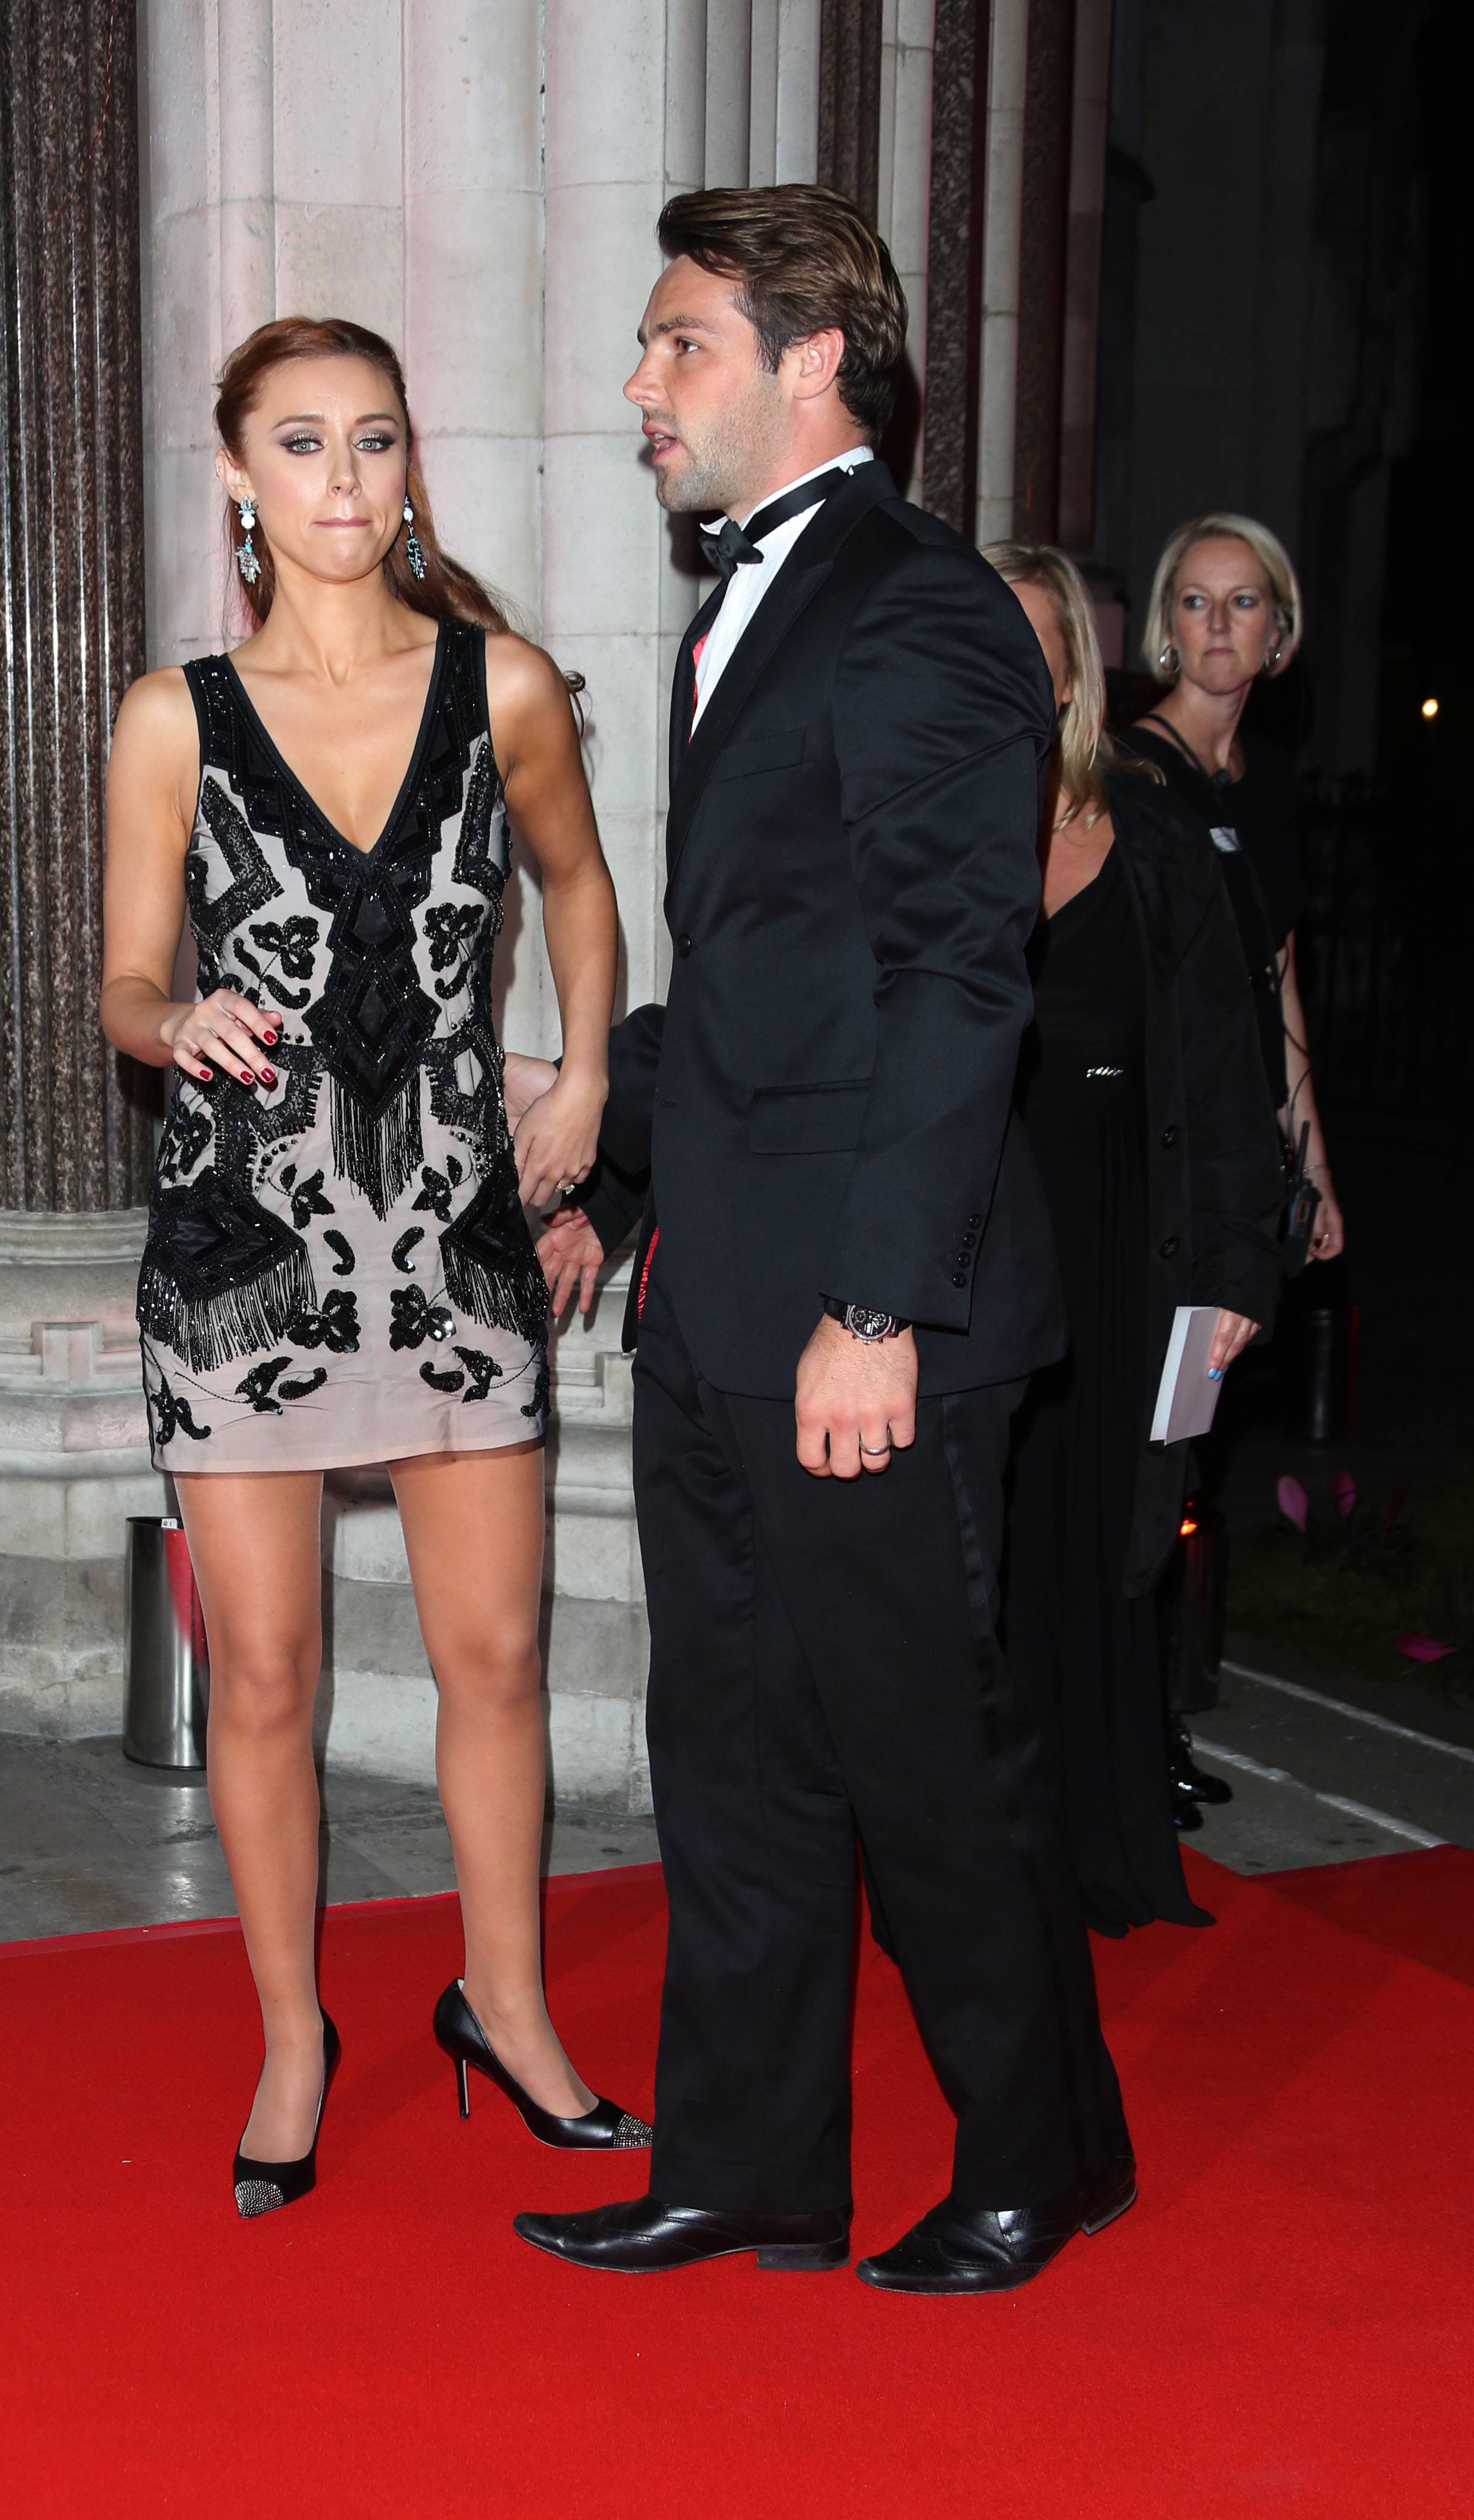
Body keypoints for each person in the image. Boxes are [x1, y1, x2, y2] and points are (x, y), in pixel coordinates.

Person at [503, 185, 1132, 2297]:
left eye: (678, 341)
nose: (640, 382)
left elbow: (959, 979)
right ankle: (752, 2161)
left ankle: (1037, 2159)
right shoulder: (750, 605)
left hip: (870, 1321)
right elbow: (780, 978)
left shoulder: (920, 606)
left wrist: (876, 1303)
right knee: (737, 1758)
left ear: (811, 363)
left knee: (926, 1759)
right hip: (723, 1304)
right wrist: (612, 1158)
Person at [101, 316, 647, 2221]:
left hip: (455, 1237)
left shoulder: (502, 686)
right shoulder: (171, 717)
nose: (343, 478)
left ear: (412, 464)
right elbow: (125, 977)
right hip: (241, 1243)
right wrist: (171, 1022)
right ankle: (290, 2037)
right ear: (238, 479)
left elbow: (580, 882)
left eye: (376, 438)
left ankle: (506, 2004)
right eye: (303, 443)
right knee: (264, 1677)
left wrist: (587, 1074)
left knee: (493, 1658)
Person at [983, 543, 1283, 1935]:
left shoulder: (1154, 843)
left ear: (1073, 674)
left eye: (1032, 642)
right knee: (981, 1547)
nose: (1008, 666)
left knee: (1109, 1535)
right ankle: (975, 1861)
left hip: (1123, 1241)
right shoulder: (922, 830)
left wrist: (1233, 1271)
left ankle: (1094, 1844)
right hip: (976, 1230)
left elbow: (1225, 1075)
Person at [1124, 514, 1343, 1260]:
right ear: (1169, 628)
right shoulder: (1132, 777)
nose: (1218, 623)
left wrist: (1314, 1171)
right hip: (1161, 1147)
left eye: (1243, 601)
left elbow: (1279, 980)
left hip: (1246, 1145)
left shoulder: (1273, 778)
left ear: (1278, 629)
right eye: (1196, 601)